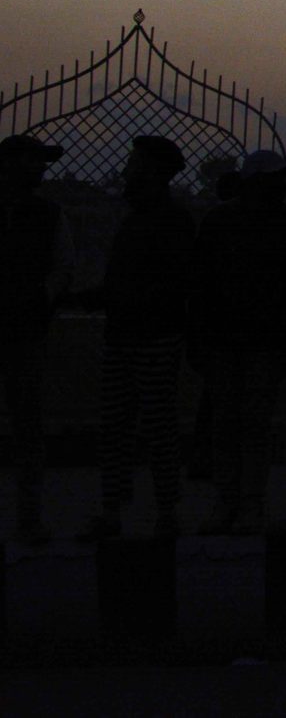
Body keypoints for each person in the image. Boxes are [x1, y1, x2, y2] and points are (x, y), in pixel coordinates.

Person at [74, 136, 194, 542]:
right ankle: (127, 509)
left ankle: (162, 510)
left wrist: (107, 299)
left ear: (153, 172)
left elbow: (167, 285)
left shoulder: (168, 222)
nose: (127, 170)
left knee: (153, 427)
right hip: (129, 335)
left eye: (135, 163)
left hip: (151, 338)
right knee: (121, 428)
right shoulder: (143, 220)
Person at [191, 149, 286, 534]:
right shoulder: (221, 222)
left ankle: (249, 503)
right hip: (227, 339)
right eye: (274, 181)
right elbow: (201, 285)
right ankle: (229, 499)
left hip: (264, 340)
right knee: (229, 423)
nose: (280, 187)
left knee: (253, 425)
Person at [1, 133, 74, 545]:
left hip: (26, 331)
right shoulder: (46, 213)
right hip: (26, 329)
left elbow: (62, 267)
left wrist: (38, 300)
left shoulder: (49, 213)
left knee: (28, 429)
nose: (40, 169)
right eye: (32, 161)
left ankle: (28, 518)